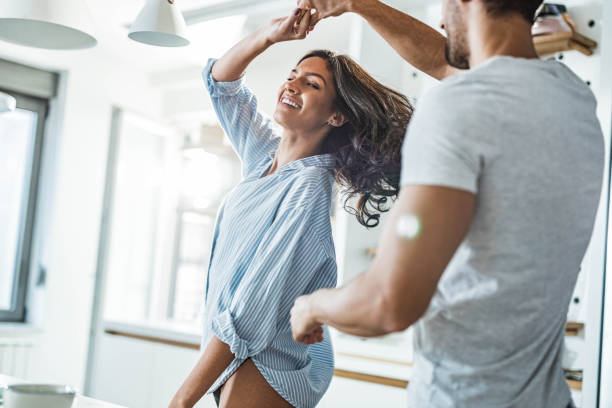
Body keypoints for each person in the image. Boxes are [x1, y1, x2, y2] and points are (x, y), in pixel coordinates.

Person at [291, 0, 604, 407]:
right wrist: (357, 4)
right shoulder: (573, 98)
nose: (439, 19)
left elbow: (387, 303)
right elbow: (449, 61)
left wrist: (312, 306)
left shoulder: (459, 104)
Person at [168, 7, 430, 408]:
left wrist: (180, 401)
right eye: (292, 75)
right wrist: (269, 36)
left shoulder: (307, 192)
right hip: (238, 357)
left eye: (311, 84)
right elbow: (221, 83)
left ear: (337, 115)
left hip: (262, 364)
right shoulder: (263, 158)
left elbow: (248, 314)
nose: (292, 85)